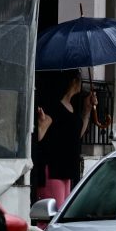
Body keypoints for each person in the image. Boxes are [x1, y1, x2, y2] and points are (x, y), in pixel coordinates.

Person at [31, 69, 96, 205]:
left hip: (67, 171)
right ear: (73, 81)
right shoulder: (53, 107)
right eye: (79, 78)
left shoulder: (71, 106)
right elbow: (39, 136)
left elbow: (77, 136)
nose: (81, 82)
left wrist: (87, 110)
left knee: (62, 212)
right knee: (54, 213)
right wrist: (41, 125)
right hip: (53, 171)